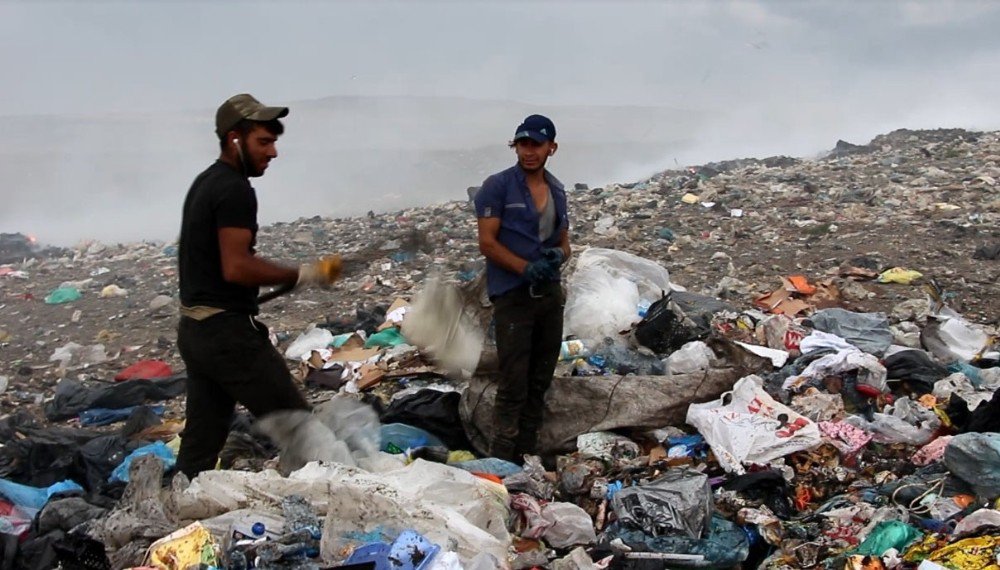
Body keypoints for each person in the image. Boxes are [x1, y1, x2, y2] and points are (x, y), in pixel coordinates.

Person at [175, 93, 341, 478]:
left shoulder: (205, 182)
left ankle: (173, 513)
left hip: (196, 331)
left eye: (274, 142)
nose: (274, 152)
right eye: (264, 142)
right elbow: (236, 267)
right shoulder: (234, 189)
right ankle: (343, 504)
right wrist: (303, 274)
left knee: (202, 442)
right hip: (227, 337)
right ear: (235, 139)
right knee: (303, 430)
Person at [474, 114, 571, 462]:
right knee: (513, 382)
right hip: (513, 297)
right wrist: (525, 269)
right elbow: (488, 242)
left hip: (548, 296)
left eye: (536, 145)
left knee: (540, 380)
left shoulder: (557, 191)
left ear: (551, 148)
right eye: (522, 144)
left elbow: (565, 243)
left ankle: (527, 457)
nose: (529, 152)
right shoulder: (498, 187)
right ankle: (500, 462)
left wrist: (555, 258)